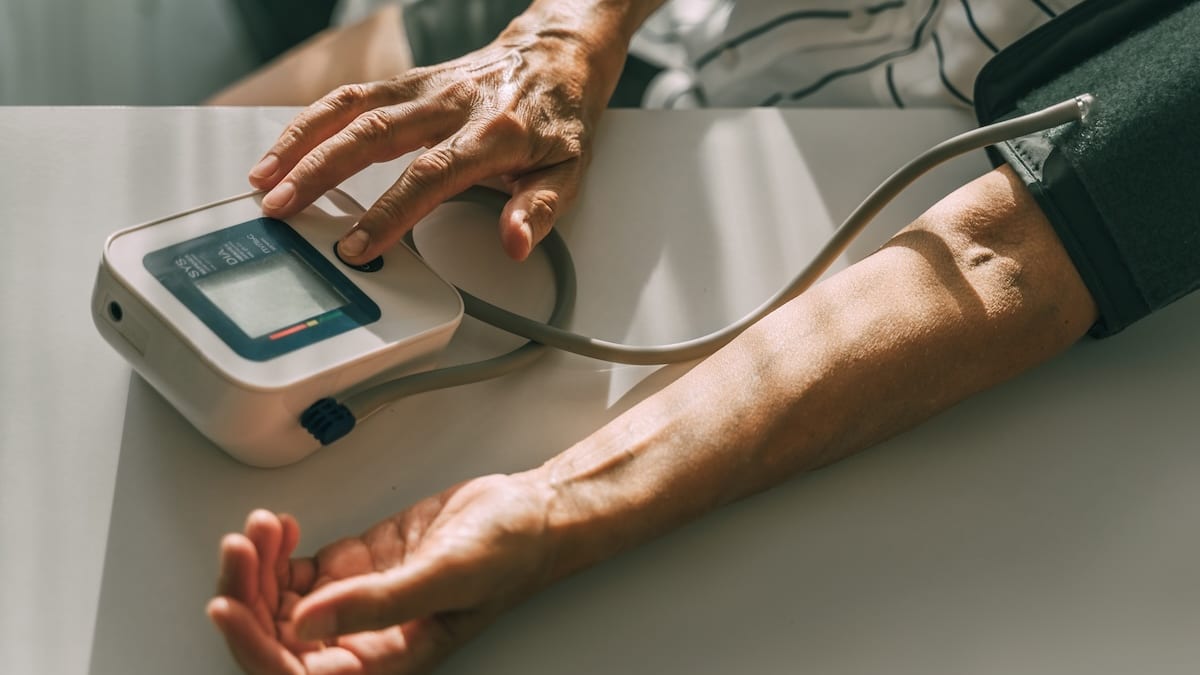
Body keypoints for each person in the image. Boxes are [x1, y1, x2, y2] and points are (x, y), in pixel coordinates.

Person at [204, 1, 1151, 673]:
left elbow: (1010, 253)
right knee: (210, 158)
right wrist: (574, 27)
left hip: (866, 182)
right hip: (611, 35)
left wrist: (550, 511)